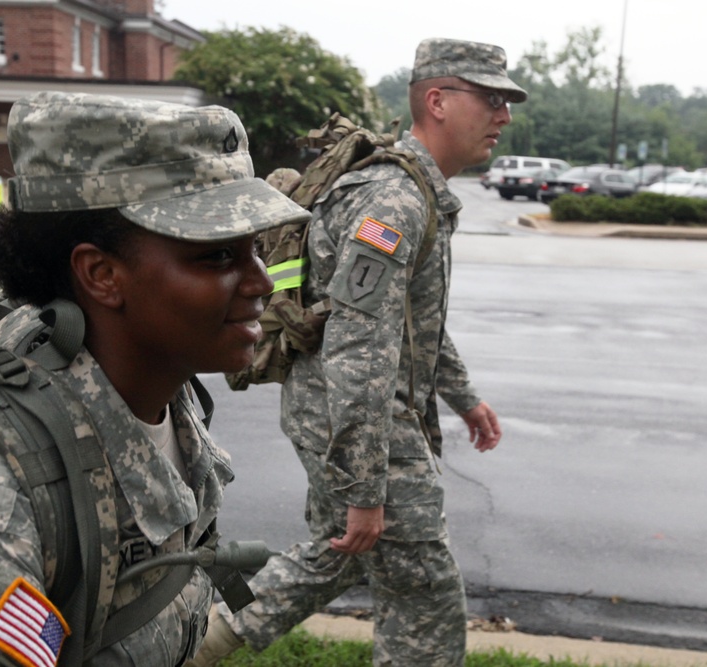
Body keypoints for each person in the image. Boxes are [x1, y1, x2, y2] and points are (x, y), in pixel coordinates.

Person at [0, 91, 310, 666]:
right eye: (219, 256)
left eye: (257, 249)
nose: (263, 281)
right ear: (101, 274)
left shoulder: (161, 391)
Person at [188, 38, 525, 667]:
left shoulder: (417, 193)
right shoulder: (392, 200)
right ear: (438, 101)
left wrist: (464, 396)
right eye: (492, 98)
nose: (504, 114)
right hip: (356, 420)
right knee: (426, 599)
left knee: (341, 553)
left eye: (506, 100)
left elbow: (411, 323)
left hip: (339, 413)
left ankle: (195, 643)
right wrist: (364, 486)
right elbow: (358, 348)